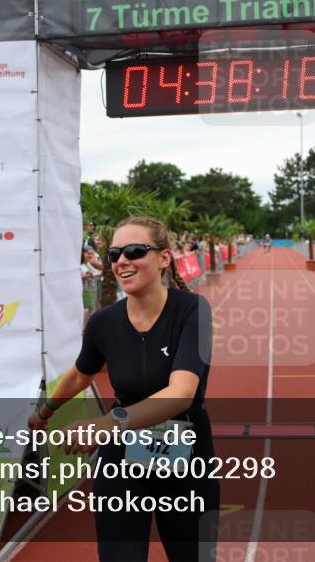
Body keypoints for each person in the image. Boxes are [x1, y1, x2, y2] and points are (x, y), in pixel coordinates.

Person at [28, 216, 218, 561]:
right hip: (122, 455)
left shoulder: (194, 311)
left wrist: (104, 425)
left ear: (164, 258)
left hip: (187, 453)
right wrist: (44, 413)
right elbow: (78, 375)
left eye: (135, 251)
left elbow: (181, 393)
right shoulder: (104, 322)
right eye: (115, 254)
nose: (121, 261)